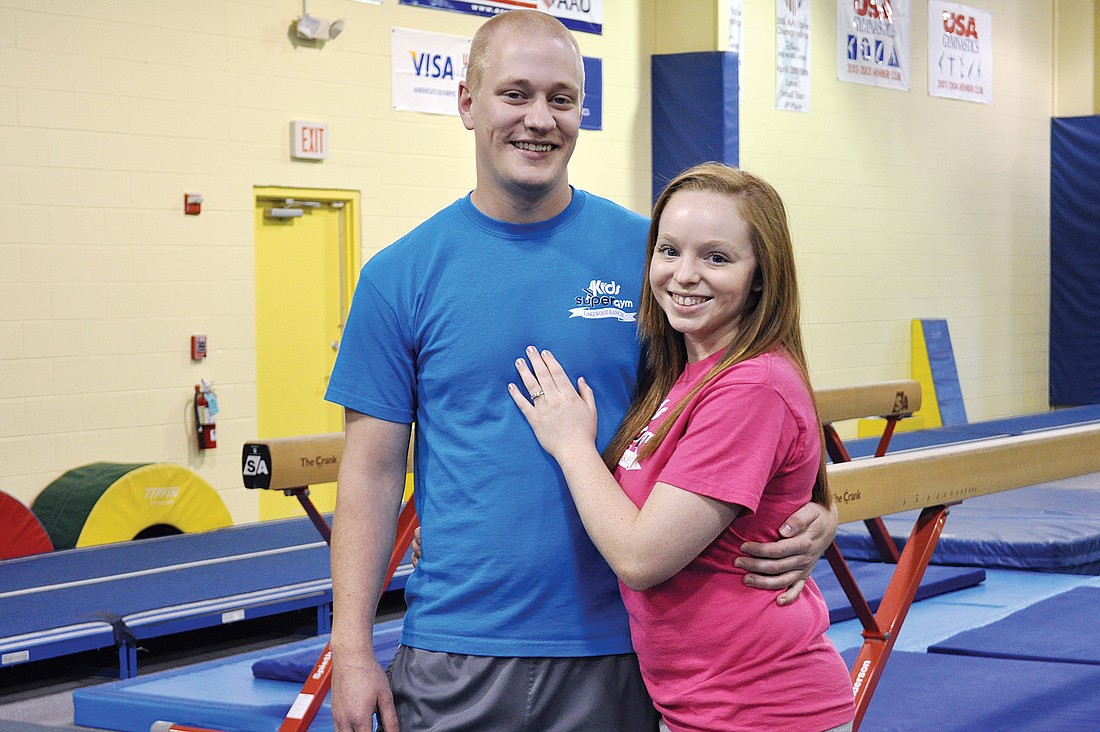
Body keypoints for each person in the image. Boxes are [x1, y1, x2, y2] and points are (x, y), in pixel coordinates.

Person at [324, 10, 838, 732]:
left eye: (561, 99)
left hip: (620, 647)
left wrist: (819, 508)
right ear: (467, 103)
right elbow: (372, 475)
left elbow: (742, 391)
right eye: (516, 94)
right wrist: (351, 648)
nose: (539, 119)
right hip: (457, 645)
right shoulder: (398, 276)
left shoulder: (654, 258)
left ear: (582, 112)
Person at [509, 163, 856, 732]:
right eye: (669, 250)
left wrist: (572, 445)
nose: (684, 275)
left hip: (762, 709)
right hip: (702, 705)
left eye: (716, 258)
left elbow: (641, 558)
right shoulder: (686, 372)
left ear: (761, 275)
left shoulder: (752, 385)